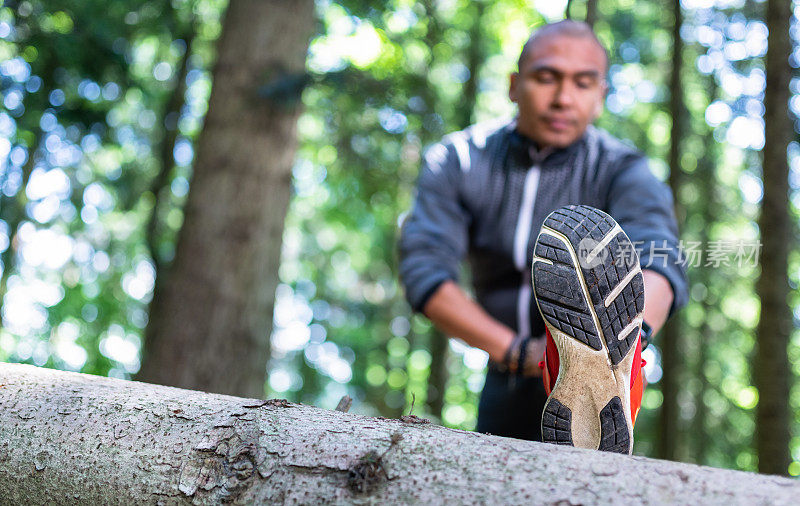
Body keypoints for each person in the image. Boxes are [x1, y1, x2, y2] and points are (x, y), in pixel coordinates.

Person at [397, 20, 688, 450]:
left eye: (583, 83)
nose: (563, 98)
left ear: (601, 96)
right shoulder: (458, 160)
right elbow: (425, 270)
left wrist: (627, 340)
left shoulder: (624, 169)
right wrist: (518, 353)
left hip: (602, 389)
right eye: (546, 78)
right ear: (515, 85)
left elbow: (659, 257)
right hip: (506, 373)